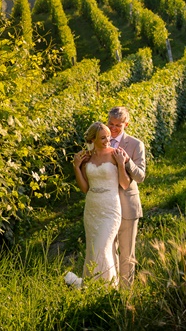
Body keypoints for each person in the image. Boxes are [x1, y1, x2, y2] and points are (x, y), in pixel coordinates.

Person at [65, 121, 131, 287]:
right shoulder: (87, 158)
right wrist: (76, 167)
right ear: (92, 139)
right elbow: (85, 188)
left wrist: (121, 164)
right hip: (92, 209)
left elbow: (125, 184)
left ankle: (107, 288)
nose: (107, 140)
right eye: (102, 138)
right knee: (93, 250)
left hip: (110, 208)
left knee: (103, 248)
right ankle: (92, 288)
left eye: (108, 136)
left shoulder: (116, 154)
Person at [107, 106, 146, 287]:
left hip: (127, 204)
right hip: (105, 205)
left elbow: (141, 176)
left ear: (126, 125)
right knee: (108, 250)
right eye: (111, 124)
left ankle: (126, 293)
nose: (113, 129)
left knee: (126, 252)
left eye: (118, 125)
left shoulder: (136, 144)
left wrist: (127, 161)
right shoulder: (100, 141)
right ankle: (111, 289)